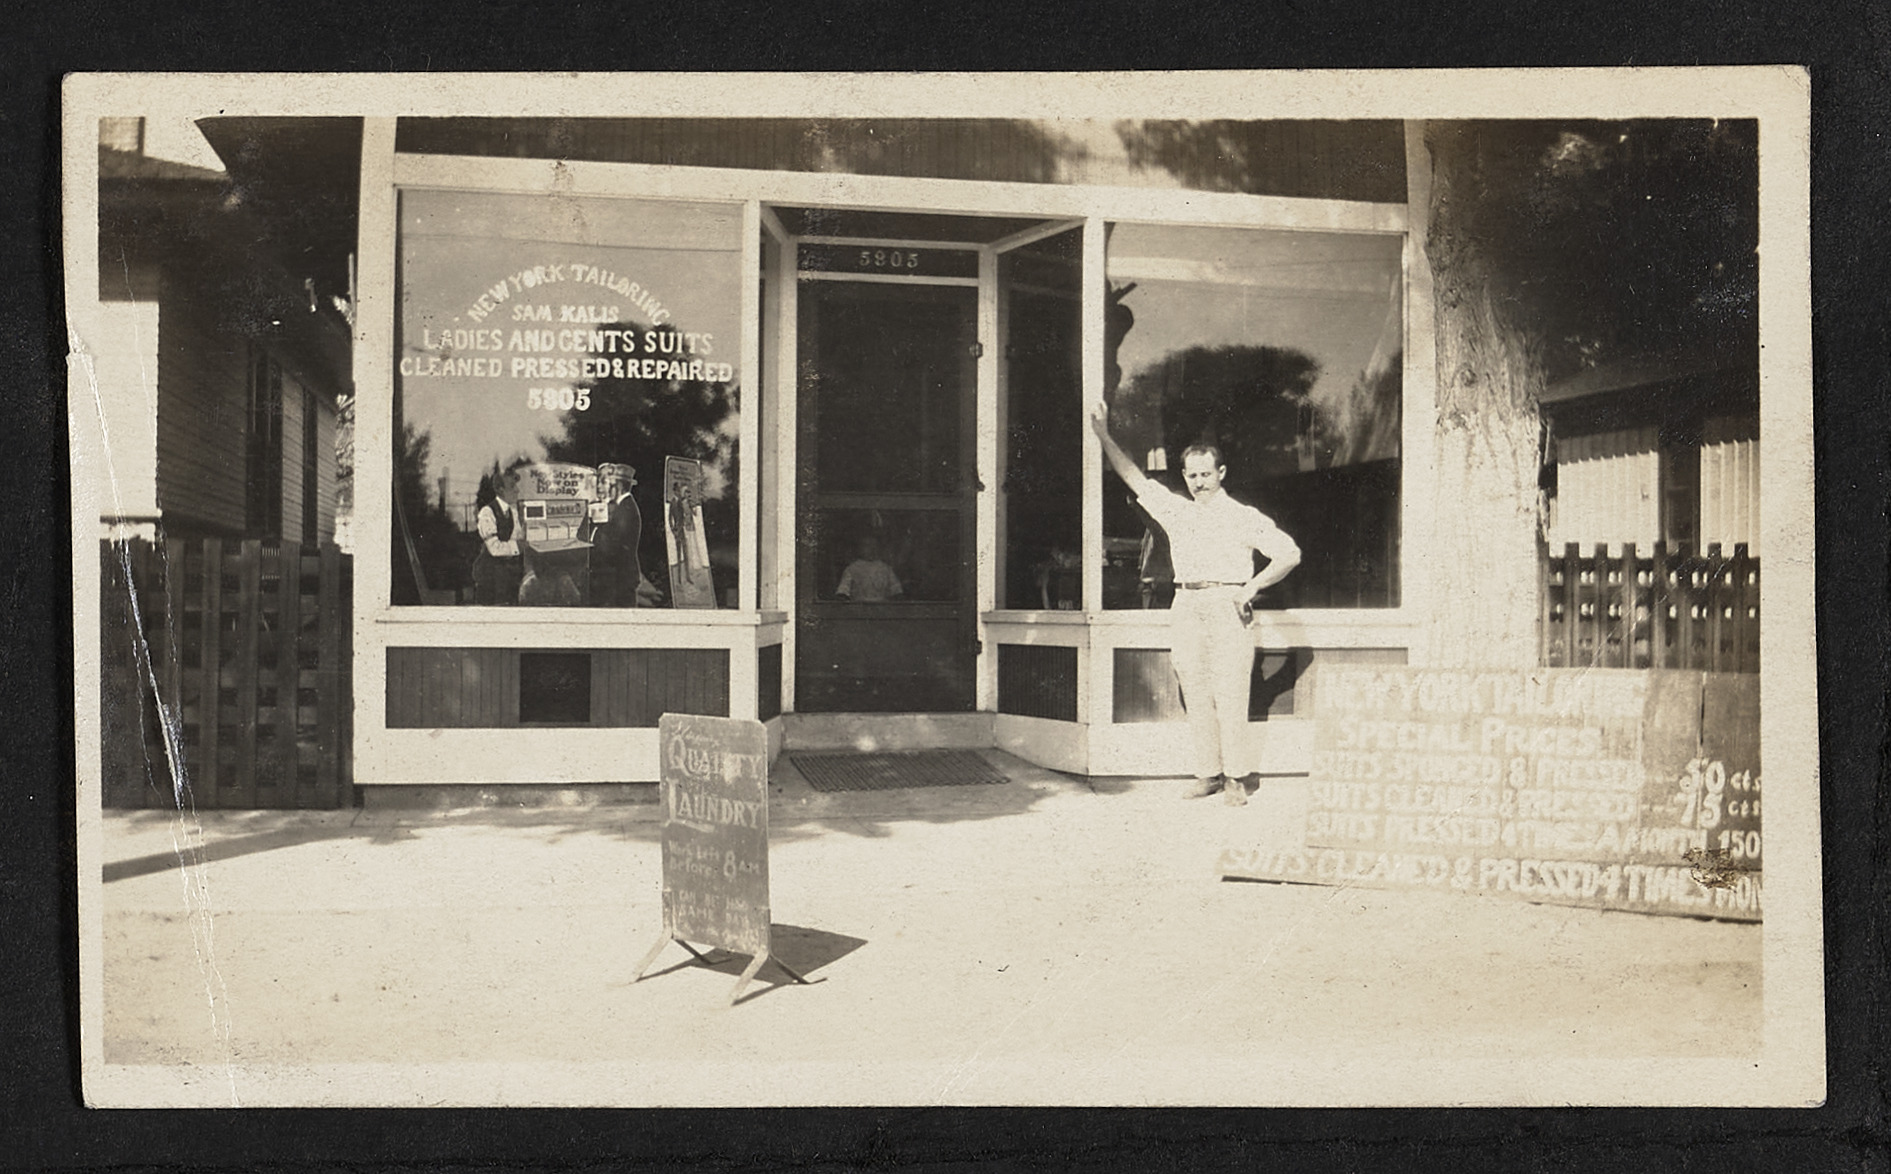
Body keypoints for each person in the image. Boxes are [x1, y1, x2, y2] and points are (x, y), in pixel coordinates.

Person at [1090, 402, 1301, 805]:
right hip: (1186, 603)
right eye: (1192, 476)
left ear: (1221, 473)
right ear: (1184, 477)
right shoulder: (1177, 512)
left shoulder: (1242, 516)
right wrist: (1103, 435)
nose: (1199, 483)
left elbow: (1289, 553)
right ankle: (1208, 773)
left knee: (1231, 693)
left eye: (1206, 474)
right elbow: (1134, 478)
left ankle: (1236, 777)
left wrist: (1251, 587)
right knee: (1195, 690)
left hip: (1227, 605)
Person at [585, 463, 663, 608]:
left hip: (618, 577)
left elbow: (609, 547)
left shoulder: (625, 510)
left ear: (619, 486)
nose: (604, 488)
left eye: (609, 484)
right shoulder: (619, 507)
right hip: (617, 576)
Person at [470, 473, 522, 606]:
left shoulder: (513, 512)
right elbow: (494, 548)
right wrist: (518, 546)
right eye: (512, 486)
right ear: (500, 490)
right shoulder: (487, 513)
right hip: (489, 578)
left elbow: (517, 537)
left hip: (507, 577)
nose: (517, 490)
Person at [835, 535, 903, 602]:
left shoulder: (886, 569)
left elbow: (896, 591)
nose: (871, 548)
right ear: (860, 548)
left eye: (874, 545)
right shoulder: (852, 569)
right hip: (858, 606)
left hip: (883, 606)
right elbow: (843, 591)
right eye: (867, 545)